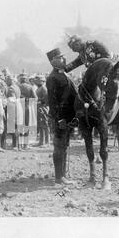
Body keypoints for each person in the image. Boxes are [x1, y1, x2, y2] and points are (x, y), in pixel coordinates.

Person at [65, 35, 119, 126]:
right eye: (72, 49)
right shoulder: (82, 54)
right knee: (83, 88)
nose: (74, 50)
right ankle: (79, 115)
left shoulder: (93, 43)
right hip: (99, 75)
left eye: (74, 47)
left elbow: (108, 55)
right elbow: (74, 63)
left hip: (113, 69)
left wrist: (98, 68)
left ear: (78, 42)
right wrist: (63, 69)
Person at [46, 48, 76, 185]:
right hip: (60, 117)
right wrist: (59, 119)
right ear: (53, 61)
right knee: (59, 146)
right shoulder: (52, 78)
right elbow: (52, 101)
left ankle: (63, 174)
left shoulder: (64, 75)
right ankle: (59, 177)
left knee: (64, 145)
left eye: (63, 57)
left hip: (68, 116)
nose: (63, 59)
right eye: (60, 57)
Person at [19, 73, 37, 149]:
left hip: (18, 107)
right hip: (27, 107)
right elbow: (35, 98)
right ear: (26, 79)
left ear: (20, 79)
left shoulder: (17, 86)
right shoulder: (30, 87)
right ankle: (26, 144)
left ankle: (19, 144)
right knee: (26, 125)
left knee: (19, 125)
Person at [5, 74, 22, 150]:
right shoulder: (17, 87)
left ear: (10, 80)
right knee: (17, 125)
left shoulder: (11, 88)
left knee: (14, 126)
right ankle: (18, 144)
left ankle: (15, 145)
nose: (6, 82)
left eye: (7, 81)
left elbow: (11, 100)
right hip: (18, 106)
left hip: (13, 107)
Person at [35, 74, 50, 147]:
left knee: (45, 125)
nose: (36, 81)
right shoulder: (39, 88)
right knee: (41, 125)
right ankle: (41, 141)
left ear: (42, 81)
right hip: (39, 107)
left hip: (43, 108)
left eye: (38, 80)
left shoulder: (43, 88)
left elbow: (47, 98)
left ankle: (47, 142)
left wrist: (41, 101)